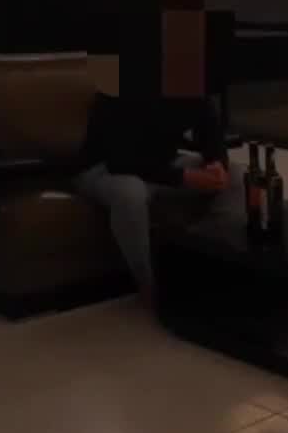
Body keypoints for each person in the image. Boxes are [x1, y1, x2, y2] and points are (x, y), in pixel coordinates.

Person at [74, 91, 228, 299]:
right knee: (131, 192)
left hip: (162, 164)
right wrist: (184, 177)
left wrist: (217, 165)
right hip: (104, 169)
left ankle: (217, 267)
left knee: (235, 177)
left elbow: (211, 132)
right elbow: (121, 160)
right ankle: (151, 288)